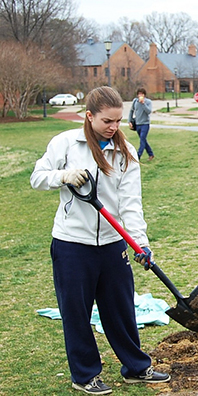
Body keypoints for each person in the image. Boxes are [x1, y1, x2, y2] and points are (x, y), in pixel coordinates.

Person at [30, 86, 170, 395]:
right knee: (76, 312)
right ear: (89, 115)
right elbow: (37, 177)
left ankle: (136, 367)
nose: (114, 127)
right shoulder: (65, 143)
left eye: (119, 120)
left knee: (120, 309)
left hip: (112, 244)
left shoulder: (126, 153)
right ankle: (85, 375)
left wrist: (141, 243)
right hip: (71, 244)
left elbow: (131, 204)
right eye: (108, 120)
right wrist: (62, 176)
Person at [128, 88, 154, 160]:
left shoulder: (148, 102)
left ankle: (137, 156)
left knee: (142, 139)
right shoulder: (135, 101)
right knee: (143, 140)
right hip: (138, 123)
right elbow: (131, 111)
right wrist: (129, 121)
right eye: (139, 94)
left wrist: (143, 103)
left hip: (145, 124)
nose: (140, 95)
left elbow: (149, 111)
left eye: (142, 94)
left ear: (144, 95)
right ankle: (151, 154)